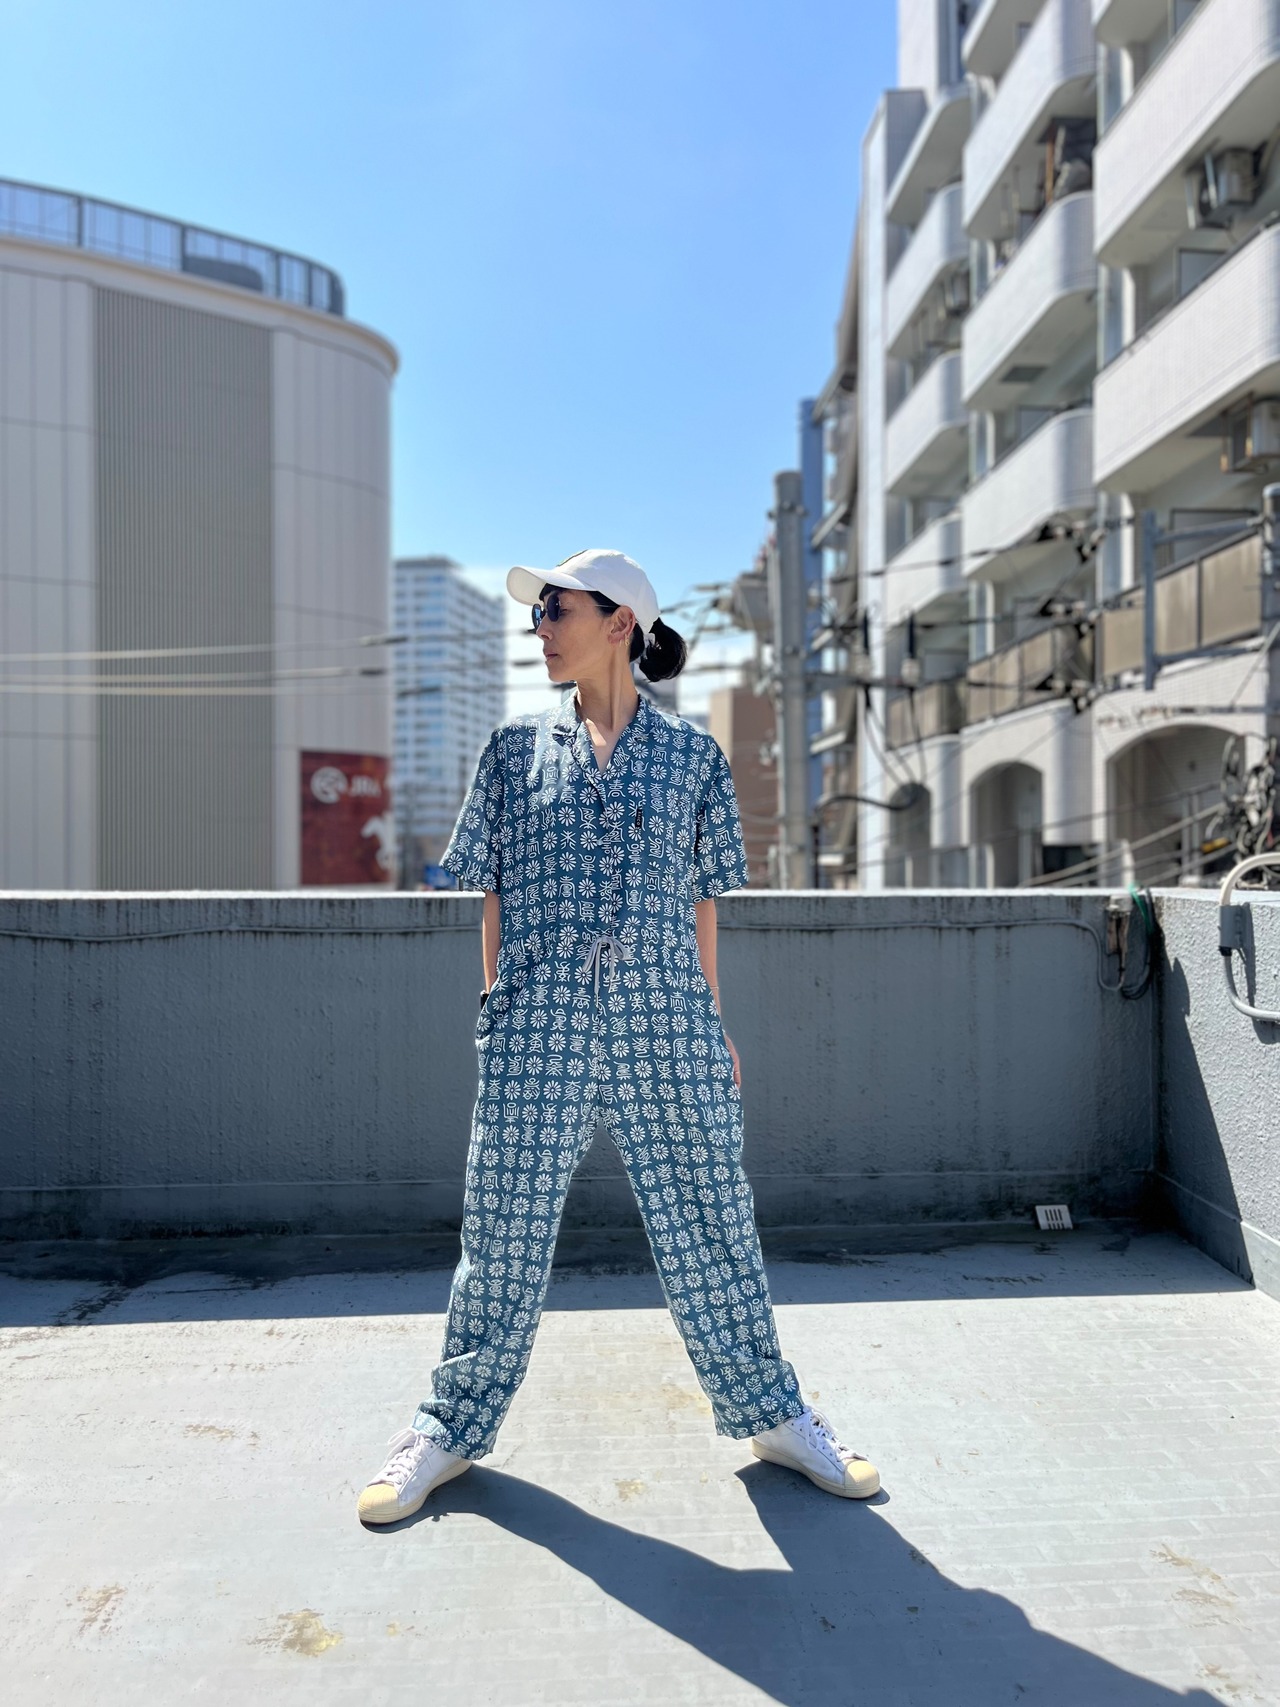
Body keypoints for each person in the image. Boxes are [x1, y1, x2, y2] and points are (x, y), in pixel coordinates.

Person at [357, 548, 879, 1524]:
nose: (539, 627)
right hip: (538, 1026)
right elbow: (490, 892)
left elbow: (703, 901)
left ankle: (773, 1414)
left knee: (712, 1223)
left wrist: (710, 1019)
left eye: (555, 609)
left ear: (617, 624)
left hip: (665, 1021)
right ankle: (449, 1427)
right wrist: (497, 1010)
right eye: (538, 612)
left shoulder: (693, 758)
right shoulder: (511, 751)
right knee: (501, 1234)